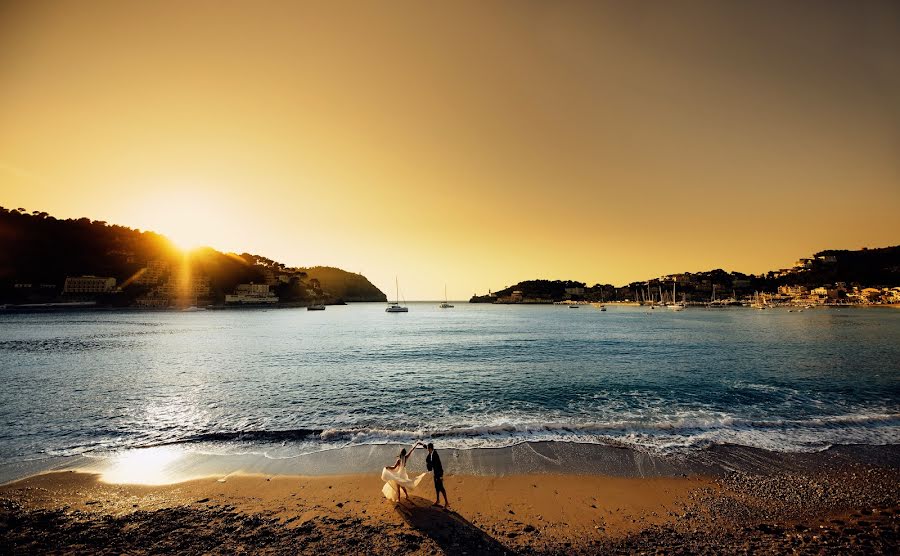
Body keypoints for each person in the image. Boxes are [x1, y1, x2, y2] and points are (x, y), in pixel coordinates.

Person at [425, 442, 449, 508]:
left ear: (430, 448)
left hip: (439, 473)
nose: (427, 450)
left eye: (428, 449)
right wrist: (423, 445)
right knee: (436, 487)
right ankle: (438, 500)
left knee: (441, 487)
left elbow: (432, 465)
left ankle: (446, 502)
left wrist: (428, 465)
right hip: (436, 473)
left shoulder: (435, 455)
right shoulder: (432, 452)